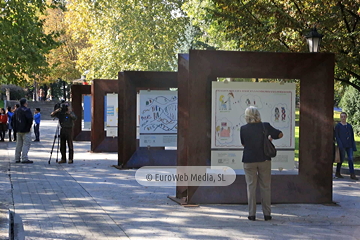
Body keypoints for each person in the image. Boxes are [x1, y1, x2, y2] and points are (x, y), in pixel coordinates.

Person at [240, 106, 283, 221]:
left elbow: (244, 144)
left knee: (251, 187)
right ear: (258, 114)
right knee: (265, 187)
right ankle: (267, 214)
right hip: (264, 159)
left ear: (247, 116)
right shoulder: (266, 126)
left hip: (249, 160)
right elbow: (280, 134)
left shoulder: (243, 128)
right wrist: (269, 139)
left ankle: (252, 214)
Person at [334, 112, 358, 180]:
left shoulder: (349, 126)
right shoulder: (338, 126)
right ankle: (337, 172)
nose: (343, 118)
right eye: (342, 117)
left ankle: (352, 174)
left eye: (344, 116)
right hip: (342, 145)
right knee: (341, 159)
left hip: (349, 145)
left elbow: (352, 136)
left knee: (350, 158)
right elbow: (337, 136)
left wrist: (353, 146)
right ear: (340, 117)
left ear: (346, 117)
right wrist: (340, 144)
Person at [11, 98, 33, 163]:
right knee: (26, 144)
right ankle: (24, 158)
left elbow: (13, 120)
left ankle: (17, 158)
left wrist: (15, 128)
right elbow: (30, 119)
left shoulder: (16, 110)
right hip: (26, 130)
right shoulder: (27, 110)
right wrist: (29, 127)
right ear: (25, 103)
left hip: (18, 130)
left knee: (18, 144)